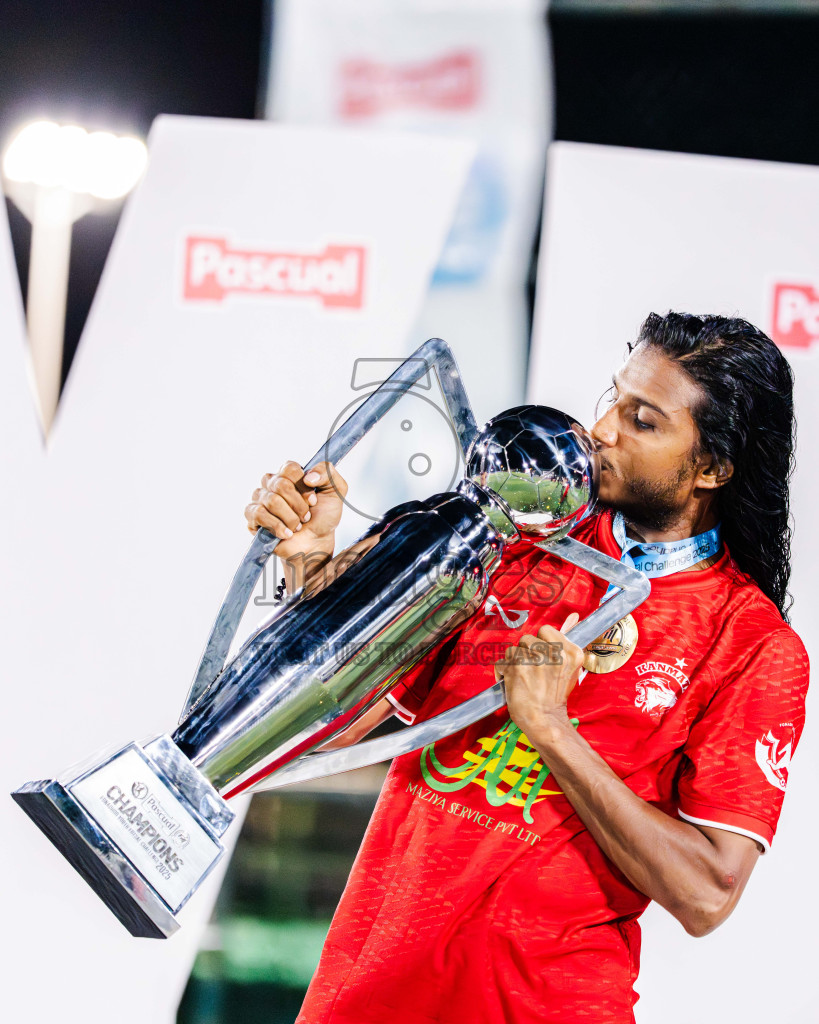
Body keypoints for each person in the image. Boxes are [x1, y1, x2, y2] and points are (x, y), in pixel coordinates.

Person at [245, 312, 809, 1024]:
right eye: (612, 398)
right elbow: (343, 723)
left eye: (643, 421)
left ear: (711, 469)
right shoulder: (511, 543)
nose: (601, 429)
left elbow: (705, 895)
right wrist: (312, 567)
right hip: (368, 995)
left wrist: (550, 728)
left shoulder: (751, 645)